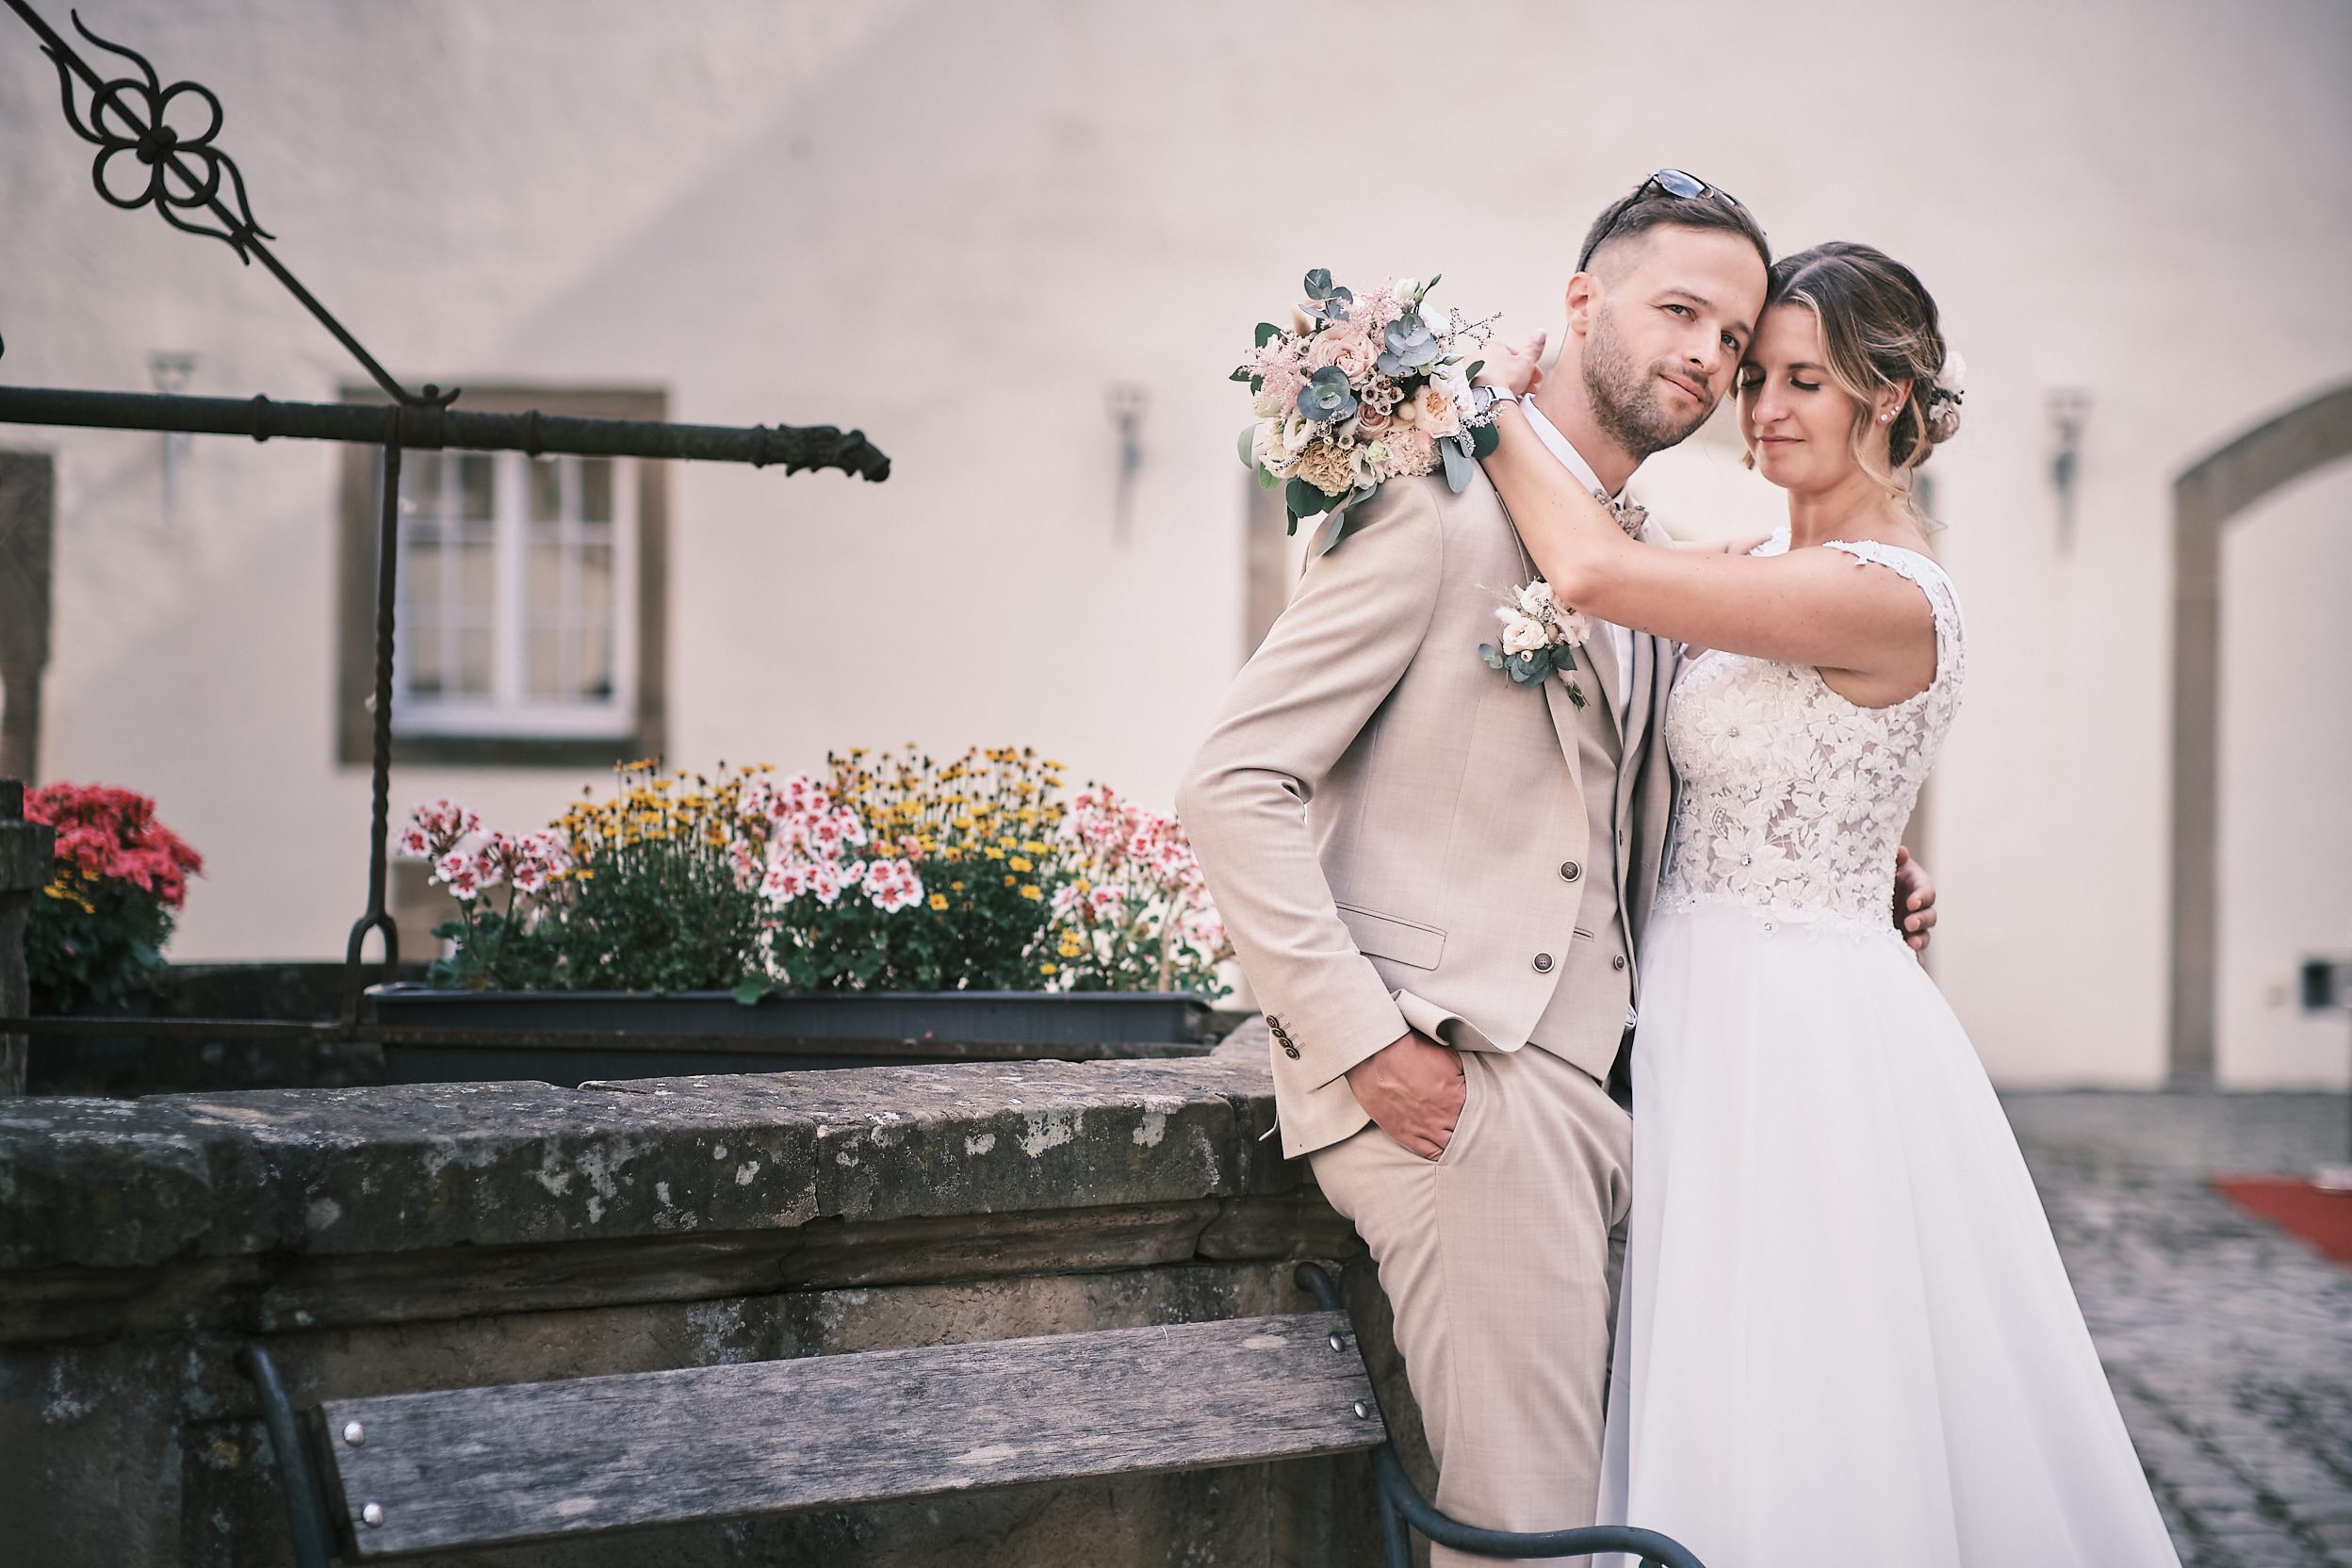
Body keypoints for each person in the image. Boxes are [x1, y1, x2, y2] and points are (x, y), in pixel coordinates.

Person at [1175, 173, 1937, 1564]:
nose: (1710, 360)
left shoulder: (1637, 553)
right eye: (1679, 312)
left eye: (1736, 337)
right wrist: (1365, 1050)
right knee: (1530, 1539)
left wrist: (1847, 856)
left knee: (1605, 1521)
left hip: (1617, 1103)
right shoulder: (1436, 508)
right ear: (1581, 301)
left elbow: (1682, 780)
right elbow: (1233, 783)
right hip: (1461, 1095)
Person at [1473, 235, 2179, 1565]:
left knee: (1800, 1369)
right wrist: (1880, 855)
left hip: (1800, 1035)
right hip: (1690, 998)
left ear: (1890, 398)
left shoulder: (1888, 594)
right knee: (1701, 1346)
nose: (1766, 408)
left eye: (1807, 380)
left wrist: (1477, 402)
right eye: (1756, 374)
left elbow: (1591, 573)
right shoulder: (1747, 555)